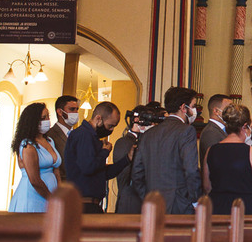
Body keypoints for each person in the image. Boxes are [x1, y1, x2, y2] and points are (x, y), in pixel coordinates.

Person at [131, 86, 201, 215]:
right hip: (179, 205)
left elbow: (136, 173)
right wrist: (195, 200)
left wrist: (147, 198)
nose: (194, 110)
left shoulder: (149, 134)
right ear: (183, 107)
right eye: (193, 106)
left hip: (152, 205)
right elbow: (191, 170)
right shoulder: (186, 131)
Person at [203, 103, 252, 214]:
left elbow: (207, 187)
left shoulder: (211, 150)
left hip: (216, 207)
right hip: (242, 207)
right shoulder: (251, 152)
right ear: (245, 126)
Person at [64, 101, 129, 213]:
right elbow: (88, 167)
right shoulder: (84, 135)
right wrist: (104, 152)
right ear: (98, 119)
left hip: (92, 204)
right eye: (110, 126)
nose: (111, 130)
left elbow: (102, 173)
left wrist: (127, 159)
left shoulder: (92, 138)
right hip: (83, 204)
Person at [9, 102, 62, 212]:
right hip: (33, 196)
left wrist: (59, 194)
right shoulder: (27, 145)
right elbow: (34, 180)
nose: (47, 120)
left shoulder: (49, 141)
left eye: (48, 116)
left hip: (52, 196)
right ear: (33, 121)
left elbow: (56, 170)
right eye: (43, 118)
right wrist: (51, 199)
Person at [44, 94, 80, 179]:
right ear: (60, 112)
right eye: (72, 109)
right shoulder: (50, 135)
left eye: (77, 109)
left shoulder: (78, 134)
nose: (75, 113)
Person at [198, 93, 231, 164]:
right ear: (216, 111)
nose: (232, 112)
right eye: (228, 109)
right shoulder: (210, 132)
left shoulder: (224, 130)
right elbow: (215, 161)